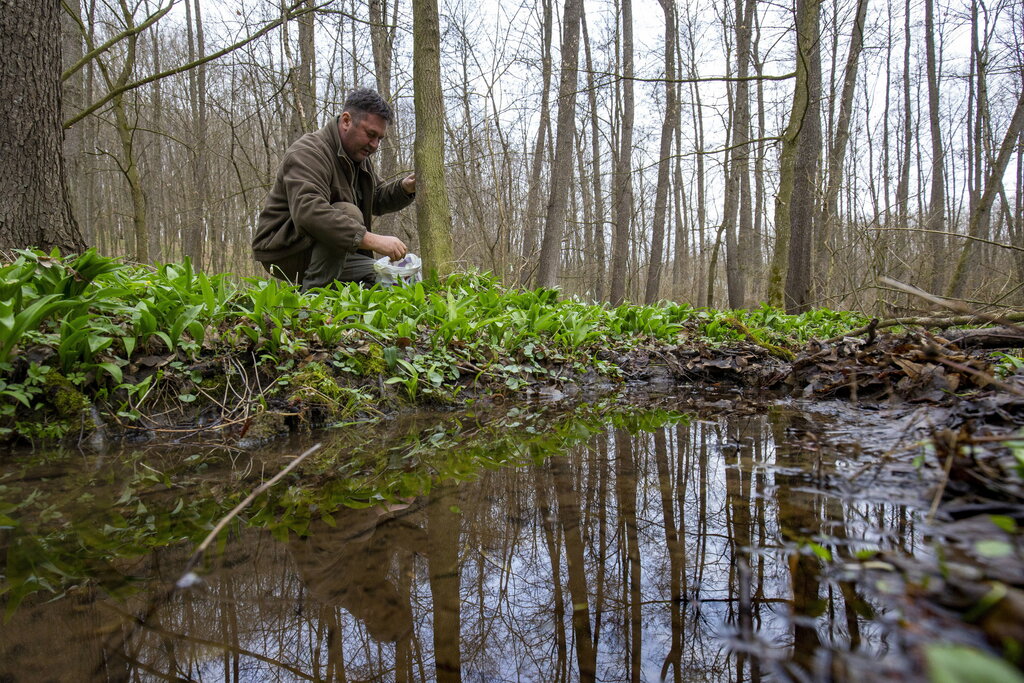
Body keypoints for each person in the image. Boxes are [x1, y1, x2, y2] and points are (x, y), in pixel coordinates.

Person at [252, 88, 415, 289]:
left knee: (388, 277)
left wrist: (406, 187)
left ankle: (343, 308)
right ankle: (312, 303)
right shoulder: (309, 152)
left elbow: (377, 197)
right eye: (371, 134)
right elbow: (309, 212)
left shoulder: (357, 157)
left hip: (330, 249)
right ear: (346, 121)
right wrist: (372, 240)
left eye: (379, 138)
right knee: (348, 212)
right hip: (286, 249)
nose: (374, 145)